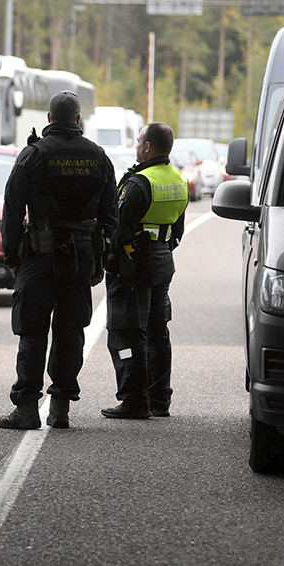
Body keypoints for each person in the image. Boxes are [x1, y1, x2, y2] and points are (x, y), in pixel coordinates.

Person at [0, 91, 118, 430]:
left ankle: (26, 409)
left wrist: (12, 256)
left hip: (38, 255)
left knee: (32, 332)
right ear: (78, 120)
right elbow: (111, 216)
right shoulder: (99, 158)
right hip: (80, 256)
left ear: (49, 119)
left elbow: (11, 208)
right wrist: (99, 259)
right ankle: (60, 408)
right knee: (70, 332)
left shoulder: (33, 155)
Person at [101, 122, 188, 419]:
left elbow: (118, 230)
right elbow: (178, 230)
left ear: (148, 146)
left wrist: (109, 265)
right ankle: (160, 399)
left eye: (139, 141)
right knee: (157, 331)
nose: (137, 146)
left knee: (127, 332)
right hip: (163, 260)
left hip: (135, 264)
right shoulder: (178, 180)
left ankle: (134, 399)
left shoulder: (138, 183)